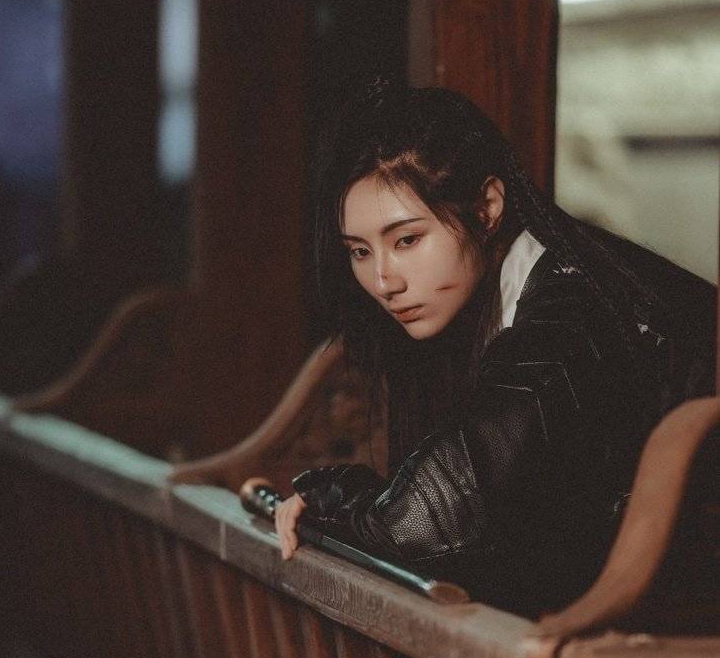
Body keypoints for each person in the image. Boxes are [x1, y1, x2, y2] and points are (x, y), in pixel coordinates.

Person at [274, 80, 716, 616]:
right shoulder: (517, 288)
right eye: (360, 251)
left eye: (407, 239)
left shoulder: (568, 320)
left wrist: (334, 494)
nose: (384, 281)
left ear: (487, 208)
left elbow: (426, 528)